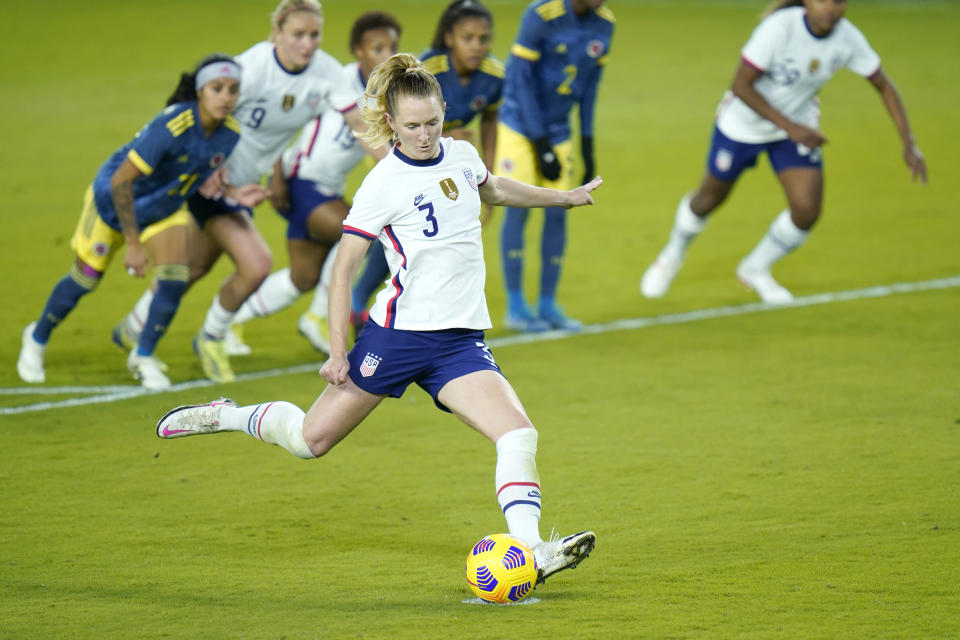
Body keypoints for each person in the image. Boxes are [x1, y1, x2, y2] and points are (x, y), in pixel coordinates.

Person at [156, 53, 601, 586]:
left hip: (458, 342)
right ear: (390, 122)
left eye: (432, 121)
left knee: (517, 434)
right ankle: (225, 415)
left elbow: (497, 189)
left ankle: (532, 549)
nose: (424, 135)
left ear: (443, 112)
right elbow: (342, 270)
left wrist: (566, 199)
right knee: (308, 441)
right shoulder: (383, 184)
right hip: (397, 339)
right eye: (411, 126)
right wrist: (337, 351)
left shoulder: (460, 154)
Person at [113, 0, 376, 383]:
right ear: (277, 33)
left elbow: (356, 122)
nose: (307, 43)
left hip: (241, 188)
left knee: (195, 266)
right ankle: (210, 338)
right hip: (212, 182)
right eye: (297, 34)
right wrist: (206, 164)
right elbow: (196, 104)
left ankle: (133, 327)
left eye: (314, 35)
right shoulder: (251, 69)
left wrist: (395, 164)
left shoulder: (327, 73)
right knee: (256, 263)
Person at [639, 0, 927, 303]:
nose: (830, 8)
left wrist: (909, 142)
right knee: (708, 199)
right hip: (742, 126)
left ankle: (755, 268)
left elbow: (883, 84)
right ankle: (671, 255)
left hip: (795, 127)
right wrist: (792, 128)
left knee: (807, 210)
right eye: (822, 0)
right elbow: (741, 85)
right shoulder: (779, 28)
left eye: (839, 1)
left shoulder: (848, 38)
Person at [16, 54, 265, 389]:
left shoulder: (229, 133)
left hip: (161, 209)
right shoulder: (172, 126)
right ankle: (36, 338)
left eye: (233, 90)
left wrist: (232, 193)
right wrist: (133, 245)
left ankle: (143, 355)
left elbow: (195, 176)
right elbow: (121, 181)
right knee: (85, 279)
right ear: (200, 91)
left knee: (175, 277)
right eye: (217, 88)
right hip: (113, 203)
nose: (226, 97)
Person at [223, 11, 402, 358]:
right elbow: (282, 120)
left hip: (325, 189)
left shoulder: (387, 94)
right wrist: (277, 175)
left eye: (391, 47)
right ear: (357, 51)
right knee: (363, 229)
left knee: (301, 278)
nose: (385, 54)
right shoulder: (337, 80)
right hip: (301, 181)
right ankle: (321, 316)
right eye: (376, 47)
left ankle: (228, 323)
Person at [348, 0, 504, 337]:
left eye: (483, 38)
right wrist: (450, 135)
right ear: (449, 38)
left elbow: (491, 118)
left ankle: (375, 302)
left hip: (448, 160)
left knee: (425, 232)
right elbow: (408, 121)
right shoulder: (431, 69)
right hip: (404, 153)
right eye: (468, 37)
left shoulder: (494, 75)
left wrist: (484, 168)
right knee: (401, 227)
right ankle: (358, 300)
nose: (477, 46)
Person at [496, 0, 614, 332]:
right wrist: (540, 143)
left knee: (559, 209)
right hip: (519, 126)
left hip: (560, 130)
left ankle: (548, 304)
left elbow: (590, 87)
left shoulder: (605, 24)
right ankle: (517, 306)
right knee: (517, 206)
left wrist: (587, 142)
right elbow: (519, 80)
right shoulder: (540, 16)